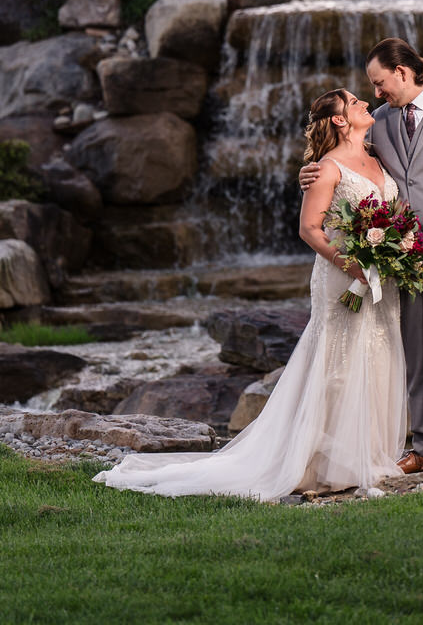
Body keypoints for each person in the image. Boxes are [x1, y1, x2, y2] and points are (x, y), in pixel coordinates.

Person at [92, 89, 406, 500]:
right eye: (353, 102)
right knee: (338, 360)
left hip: (380, 277)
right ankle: (322, 461)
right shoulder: (327, 169)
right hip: (341, 276)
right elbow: (309, 228)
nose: (365, 102)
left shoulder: (379, 154)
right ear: (340, 121)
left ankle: (369, 454)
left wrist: (395, 249)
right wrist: (347, 263)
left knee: (377, 354)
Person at [299, 37, 423, 477]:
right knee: (413, 351)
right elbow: (347, 163)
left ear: (402, 72)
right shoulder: (382, 121)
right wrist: (308, 173)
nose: (375, 93)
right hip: (400, 255)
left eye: (379, 83)